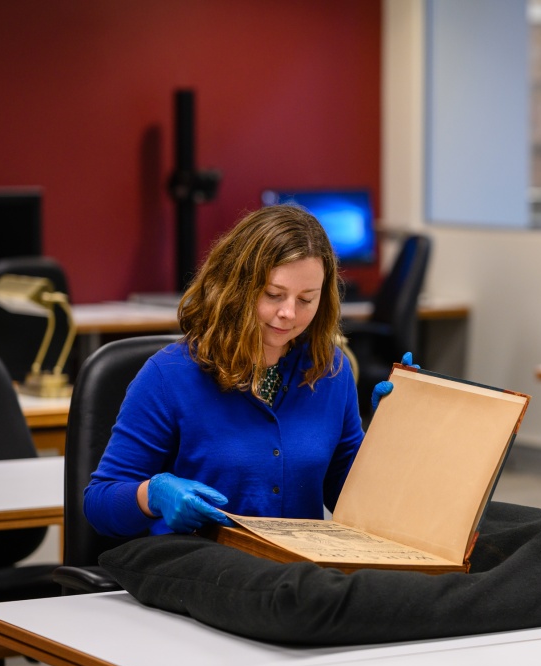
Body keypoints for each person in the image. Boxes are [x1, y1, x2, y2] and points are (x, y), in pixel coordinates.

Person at [85, 204, 410, 538]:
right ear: (237, 288)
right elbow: (99, 503)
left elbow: (351, 500)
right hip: (203, 568)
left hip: (297, 572)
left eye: (306, 299)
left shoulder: (331, 371)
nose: (288, 313)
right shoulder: (169, 375)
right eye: (273, 294)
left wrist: (386, 440)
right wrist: (150, 495)